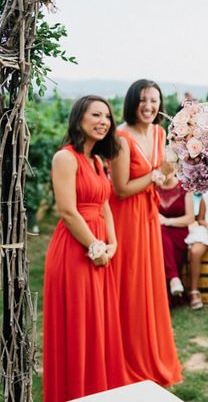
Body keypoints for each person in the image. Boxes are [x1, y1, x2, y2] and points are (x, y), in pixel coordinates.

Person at [44, 96, 130, 401]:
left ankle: (97, 390)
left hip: (100, 247)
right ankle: (75, 391)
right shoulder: (64, 158)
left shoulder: (98, 160)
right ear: (79, 117)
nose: (103, 121)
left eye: (107, 116)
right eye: (95, 115)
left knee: (98, 324)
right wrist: (95, 246)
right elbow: (67, 211)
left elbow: (105, 203)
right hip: (74, 249)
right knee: (79, 324)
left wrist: (113, 243)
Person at [109, 79, 182, 386]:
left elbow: (161, 181)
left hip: (150, 216)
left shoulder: (159, 132)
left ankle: (150, 352)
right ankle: (125, 355)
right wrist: (155, 176)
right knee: (129, 283)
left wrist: (169, 174)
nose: (149, 106)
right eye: (143, 100)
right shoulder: (121, 138)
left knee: (150, 284)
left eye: (154, 100)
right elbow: (122, 188)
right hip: (125, 218)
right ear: (132, 102)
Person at [157, 161, 195, 301]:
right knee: (160, 233)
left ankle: (172, 281)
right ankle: (173, 280)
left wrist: (167, 221)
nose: (166, 176)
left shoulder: (184, 188)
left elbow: (190, 218)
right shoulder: (153, 187)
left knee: (163, 235)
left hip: (179, 232)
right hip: (158, 233)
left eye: (169, 173)